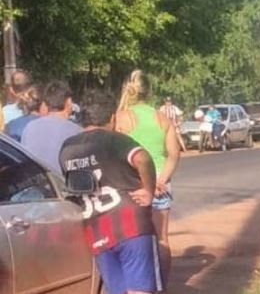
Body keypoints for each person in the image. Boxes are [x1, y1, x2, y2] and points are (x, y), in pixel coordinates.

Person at [59, 89, 161, 294]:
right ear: (112, 118)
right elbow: (142, 158)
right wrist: (148, 190)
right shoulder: (115, 140)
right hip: (131, 226)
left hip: (96, 229)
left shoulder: (67, 148)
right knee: (140, 289)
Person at [115, 70, 181, 284]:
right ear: (149, 91)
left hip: (133, 186)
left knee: (132, 239)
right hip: (161, 185)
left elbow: (115, 153)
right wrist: (161, 180)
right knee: (162, 240)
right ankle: (162, 285)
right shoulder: (162, 118)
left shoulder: (122, 118)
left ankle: (140, 285)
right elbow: (174, 154)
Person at [21, 80, 82, 175]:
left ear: (45, 103)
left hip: (38, 186)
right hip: (63, 186)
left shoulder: (30, 128)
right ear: (69, 102)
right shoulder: (77, 132)